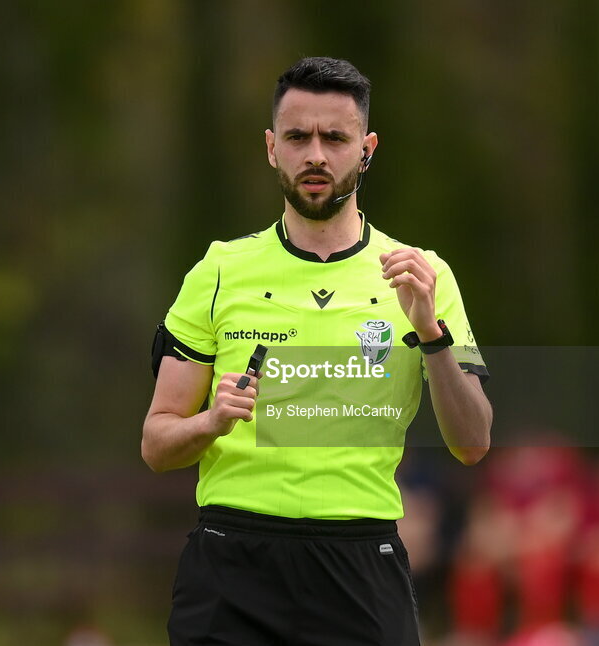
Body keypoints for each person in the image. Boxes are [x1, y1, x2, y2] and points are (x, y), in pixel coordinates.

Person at [143, 56, 493, 646]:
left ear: (367, 148)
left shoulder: (423, 275)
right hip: (234, 560)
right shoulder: (219, 270)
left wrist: (430, 334)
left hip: (360, 561)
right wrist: (211, 420)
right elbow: (157, 444)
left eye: (336, 138)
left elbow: (473, 443)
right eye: (298, 136)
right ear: (271, 147)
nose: (316, 155)